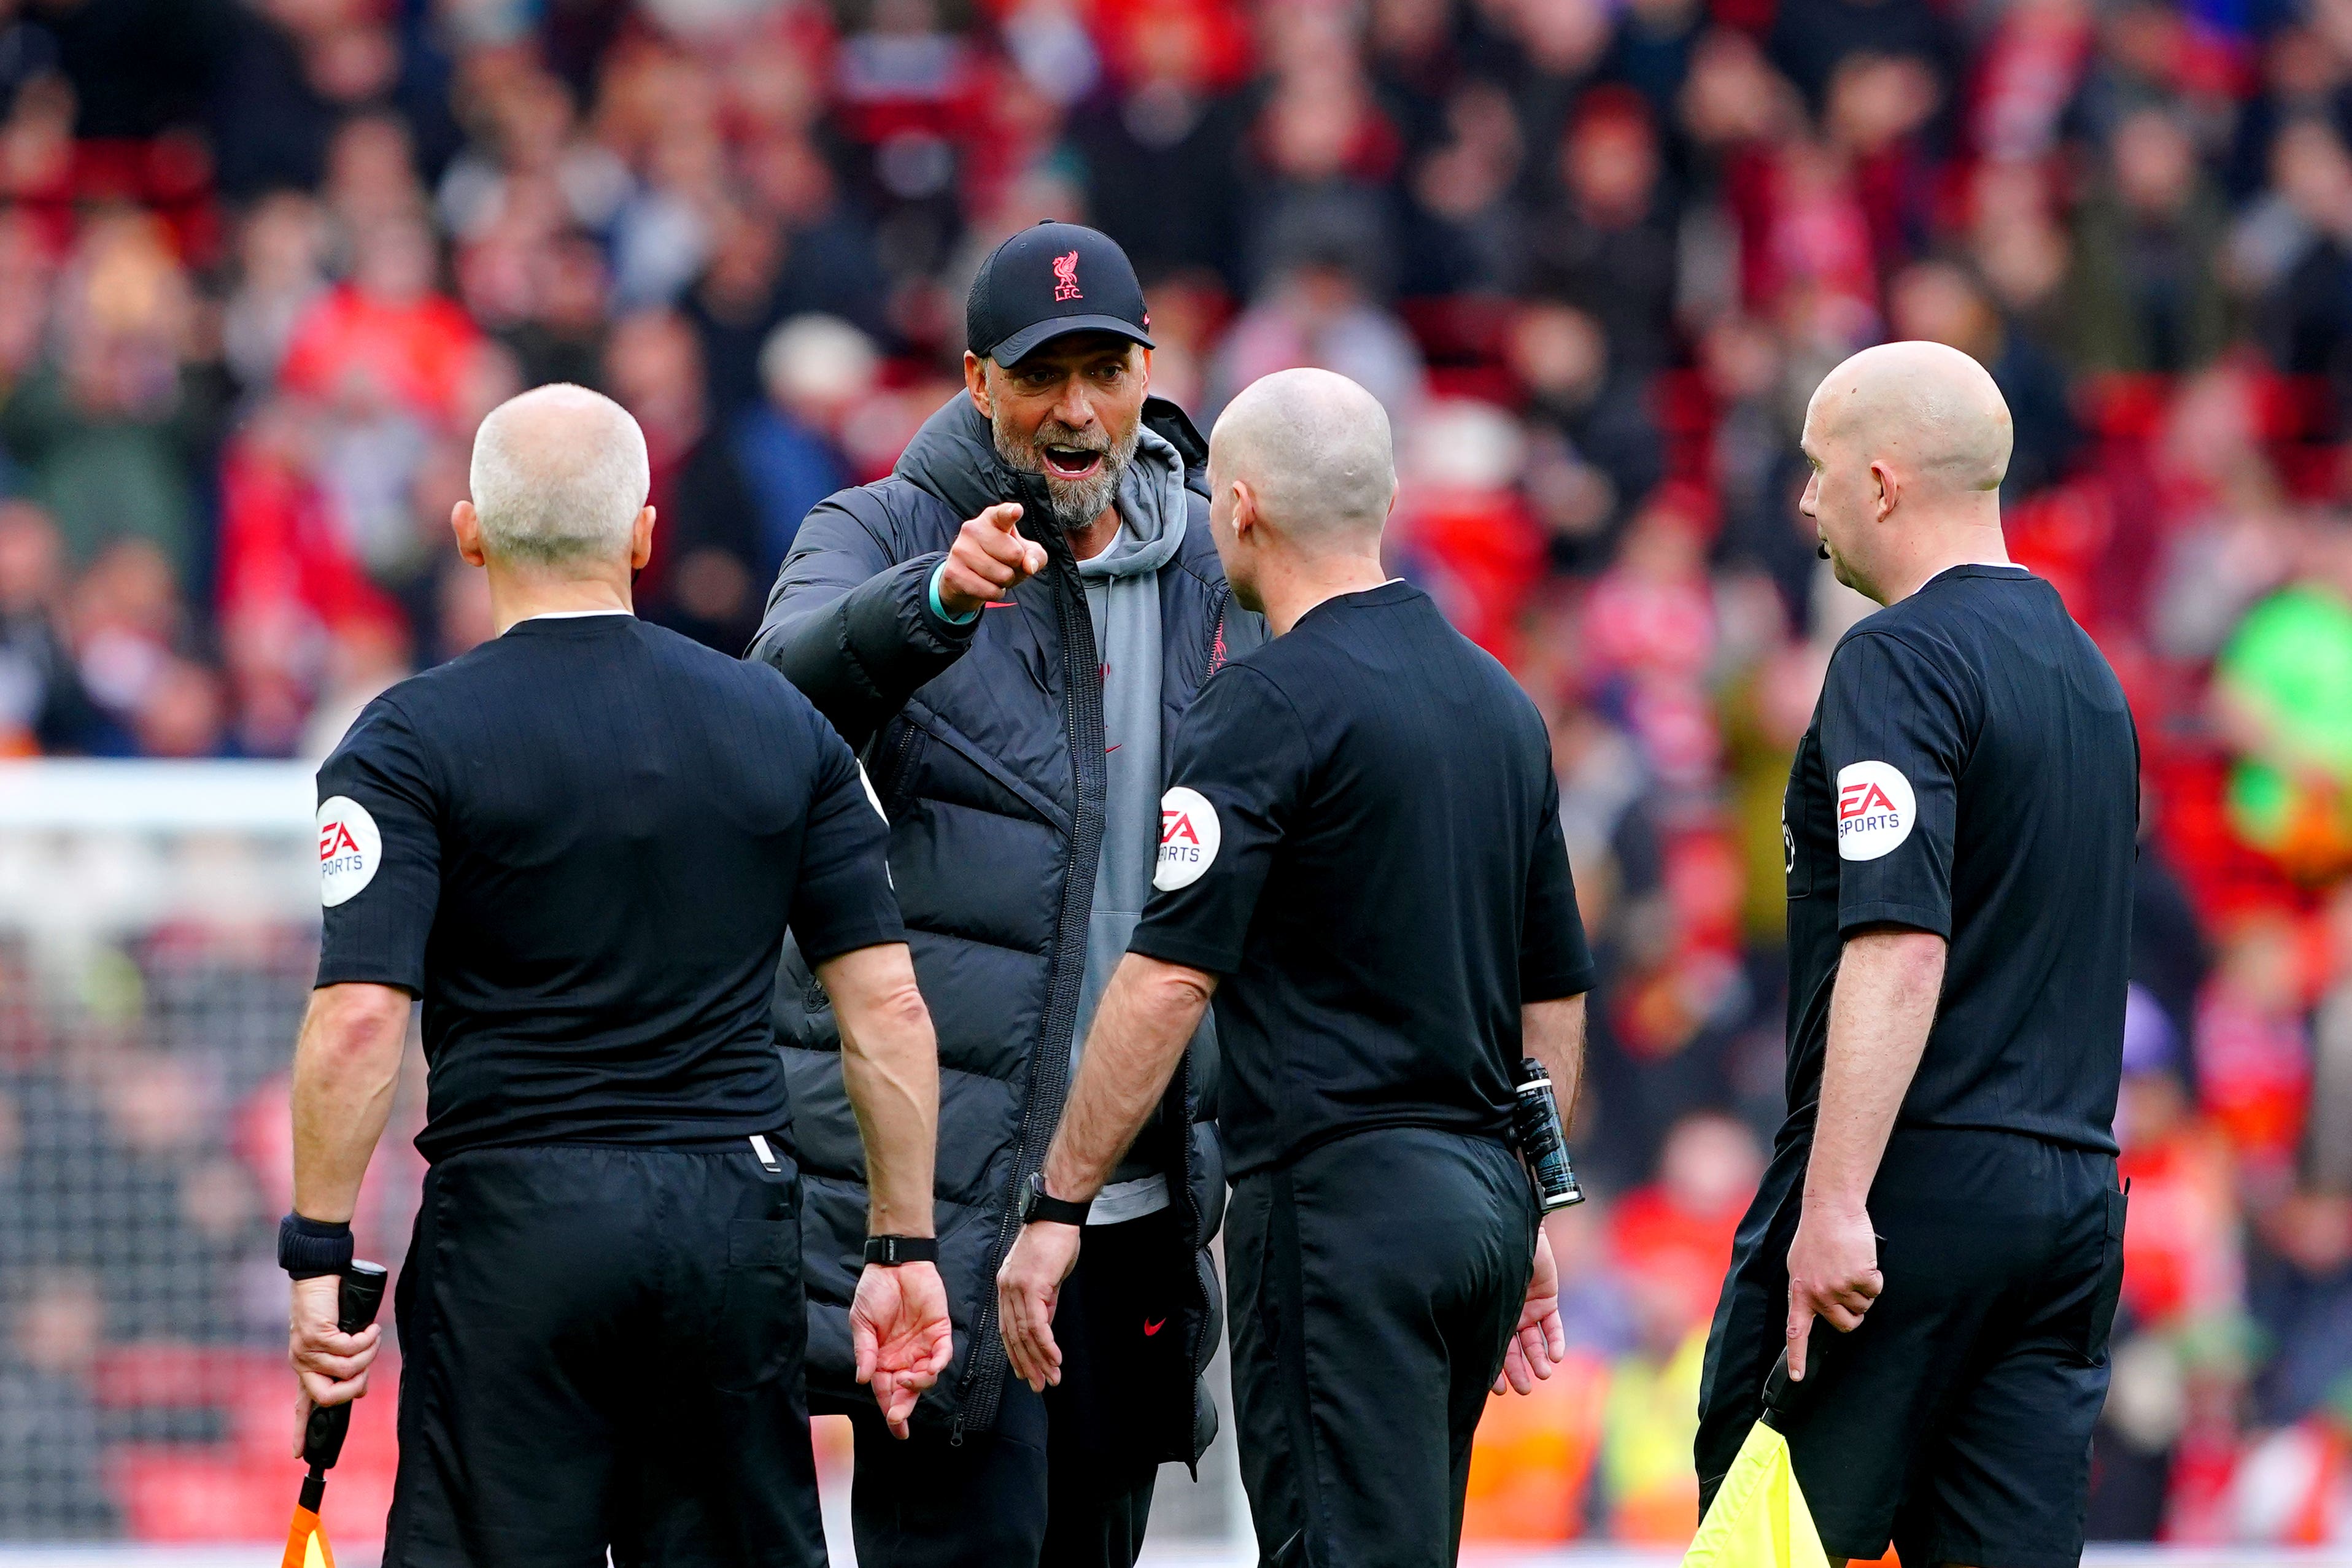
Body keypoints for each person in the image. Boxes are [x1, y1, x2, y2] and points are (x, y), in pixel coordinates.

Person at [280, 384, 953, 1567]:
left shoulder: (403, 744)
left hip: (514, 1228)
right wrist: (902, 1249)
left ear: (469, 532)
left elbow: (359, 1019)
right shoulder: (784, 726)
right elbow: (887, 1007)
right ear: (645, 532)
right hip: (729, 1226)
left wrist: (321, 1254)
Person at [996, 368, 1598, 1567]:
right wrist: (1530, 1190)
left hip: (1342, 1214)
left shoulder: (1261, 705)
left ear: (1244, 509)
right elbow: (1555, 993)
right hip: (1477, 1208)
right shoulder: (1497, 704)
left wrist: (1058, 1201)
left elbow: (1165, 982)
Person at [747, 221, 1255, 1568]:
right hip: (950, 1211)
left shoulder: (1217, 561)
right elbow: (767, 710)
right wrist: (929, 605)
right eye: (1040, 377)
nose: (1074, 409)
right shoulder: (881, 528)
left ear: (1149, 370)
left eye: (1104, 368)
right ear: (976, 385)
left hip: (1132, 1202)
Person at [1693, 341, 2139, 1568]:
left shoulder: (1893, 660)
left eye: (1816, 469)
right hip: (2067, 1207)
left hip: (1907, 1191)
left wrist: (1833, 1204)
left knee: (1756, 1546)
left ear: (1880, 486)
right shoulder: (2091, 681)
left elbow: (1896, 941)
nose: (1803, 500)